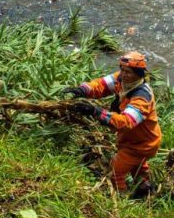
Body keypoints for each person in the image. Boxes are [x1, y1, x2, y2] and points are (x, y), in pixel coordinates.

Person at [63, 51, 162, 198]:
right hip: (132, 140)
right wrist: (82, 90)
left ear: (138, 73)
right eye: (122, 70)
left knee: (116, 172)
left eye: (128, 71)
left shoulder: (142, 97)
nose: (123, 74)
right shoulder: (121, 79)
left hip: (141, 144)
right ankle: (146, 190)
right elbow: (101, 85)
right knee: (137, 167)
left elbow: (127, 122)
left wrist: (96, 112)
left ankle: (122, 197)